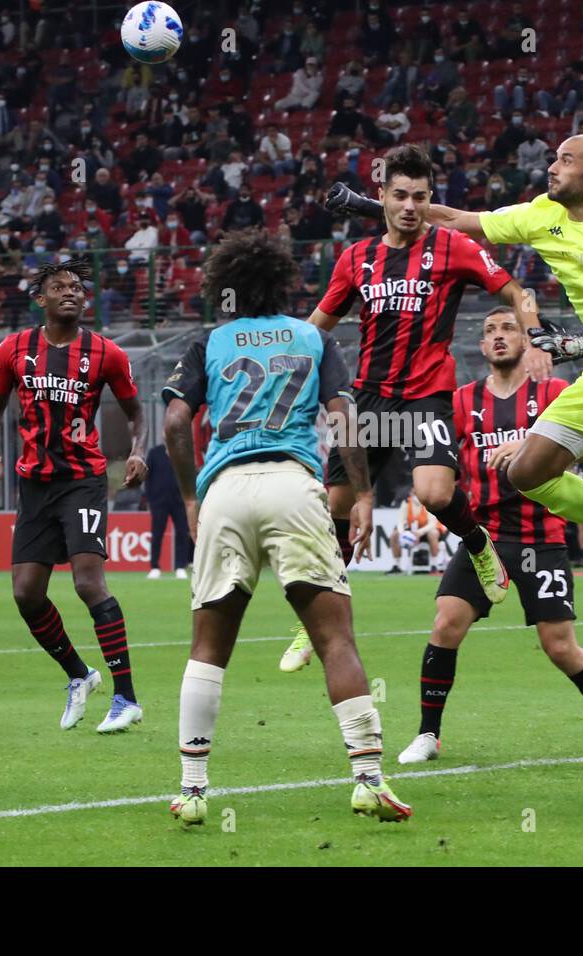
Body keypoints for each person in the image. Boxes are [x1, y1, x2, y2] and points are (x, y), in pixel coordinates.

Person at [328, 134, 583, 647]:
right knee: (527, 471)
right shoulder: (540, 214)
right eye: (555, 158)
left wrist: (574, 344)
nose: (552, 167)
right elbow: (459, 219)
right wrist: (368, 204)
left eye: (565, 160)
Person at [160, 229, 411, 825]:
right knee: (334, 641)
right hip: (294, 488)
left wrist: (193, 497)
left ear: (226, 287)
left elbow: (174, 422)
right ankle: (368, 779)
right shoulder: (313, 337)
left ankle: (193, 791)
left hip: (225, 489)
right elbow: (344, 416)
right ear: (282, 282)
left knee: (208, 649)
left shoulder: (209, 342)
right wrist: (365, 492)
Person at [276, 145, 546, 671]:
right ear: (380, 197)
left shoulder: (453, 247)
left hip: (426, 396)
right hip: (370, 399)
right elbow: (318, 325)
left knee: (433, 491)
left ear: (430, 199)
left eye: (420, 197)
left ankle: (478, 544)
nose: (409, 206)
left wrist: (534, 336)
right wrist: (282, 357)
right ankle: (312, 623)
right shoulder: (355, 258)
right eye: (399, 195)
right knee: (335, 510)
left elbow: (518, 290)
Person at [397, 308, 583, 765]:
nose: (498, 336)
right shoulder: (461, 401)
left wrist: (533, 443)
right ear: (482, 346)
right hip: (484, 539)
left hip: (541, 535)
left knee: (559, 645)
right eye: (489, 330)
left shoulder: (553, 392)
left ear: (527, 339)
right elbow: (439, 458)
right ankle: (428, 735)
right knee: (445, 623)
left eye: (508, 327)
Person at [0, 258, 149, 734]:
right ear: (41, 298)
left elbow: (137, 412)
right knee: (26, 593)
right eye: (60, 287)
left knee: (88, 583)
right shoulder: (14, 348)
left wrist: (136, 451)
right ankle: (79, 675)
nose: (71, 293)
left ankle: (126, 697)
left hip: (83, 480)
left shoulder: (106, 353)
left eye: (77, 286)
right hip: (33, 483)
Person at [143, 442, 192, 580]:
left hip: (179, 500)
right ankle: (154, 567)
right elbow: (148, 477)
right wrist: (149, 499)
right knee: (157, 534)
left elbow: (189, 473)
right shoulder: (155, 452)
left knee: (182, 533)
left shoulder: (182, 451)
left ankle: (180, 567)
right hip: (159, 501)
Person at [387, 493, 446, 575]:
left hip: (426, 531)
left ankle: (434, 565)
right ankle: (397, 565)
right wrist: (403, 533)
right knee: (394, 535)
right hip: (412, 532)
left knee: (433, 533)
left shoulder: (429, 502)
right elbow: (401, 521)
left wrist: (419, 532)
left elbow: (432, 523)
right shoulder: (407, 502)